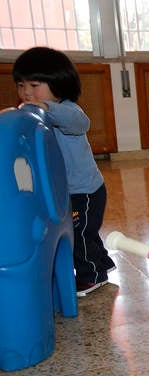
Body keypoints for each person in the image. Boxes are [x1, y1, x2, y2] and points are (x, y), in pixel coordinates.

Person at [12, 47, 115, 296]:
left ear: (59, 84)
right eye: (21, 85)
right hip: (61, 191)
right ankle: (102, 261)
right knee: (81, 231)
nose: (26, 92)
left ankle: (93, 275)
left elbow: (80, 124)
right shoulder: (32, 114)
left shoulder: (68, 110)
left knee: (80, 233)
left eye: (34, 85)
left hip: (85, 191)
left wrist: (47, 108)